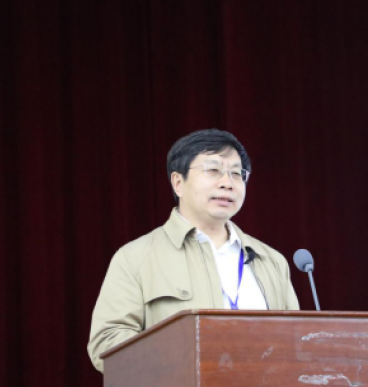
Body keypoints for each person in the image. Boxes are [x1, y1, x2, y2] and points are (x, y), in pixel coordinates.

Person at [87, 129, 300, 372]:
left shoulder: (271, 260)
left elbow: (297, 341)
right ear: (178, 183)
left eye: (236, 173)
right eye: (213, 170)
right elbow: (107, 344)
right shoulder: (135, 258)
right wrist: (184, 359)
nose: (227, 183)